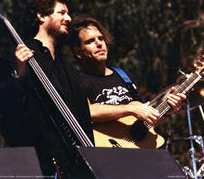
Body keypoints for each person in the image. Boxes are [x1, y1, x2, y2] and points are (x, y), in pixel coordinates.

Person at [0, 0, 95, 178]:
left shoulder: (66, 64)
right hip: (46, 166)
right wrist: (20, 73)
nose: (68, 18)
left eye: (68, 13)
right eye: (62, 12)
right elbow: (7, 105)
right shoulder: (22, 55)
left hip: (80, 163)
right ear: (41, 16)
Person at [69, 17, 186, 148]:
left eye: (101, 38)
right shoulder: (77, 79)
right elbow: (87, 112)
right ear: (78, 52)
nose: (99, 44)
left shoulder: (122, 75)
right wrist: (130, 108)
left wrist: (164, 110)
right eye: (90, 41)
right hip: (107, 151)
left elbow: (141, 119)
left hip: (137, 149)